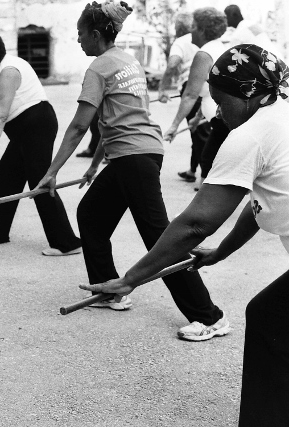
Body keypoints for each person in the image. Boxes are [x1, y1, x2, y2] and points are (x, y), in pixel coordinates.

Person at [81, 44, 289, 426]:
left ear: (247, 92)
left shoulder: (253, 135)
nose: (219, 115)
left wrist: (131, 279)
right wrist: (223, 252)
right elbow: (262, 203)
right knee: (271, 319)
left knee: (269, 321)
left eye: (222, 104)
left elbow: (195, 223)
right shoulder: (280, 108)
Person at [34, 0, 228, 340]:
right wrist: (95, 164)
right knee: (91, 215)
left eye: (81, 35)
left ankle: (209, 316)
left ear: (95, 34)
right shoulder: (128, 62)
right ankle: (109, 290)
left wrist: (51, 172)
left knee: (161, 239)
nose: (78, 40)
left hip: (133, 158)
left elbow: (81, 126)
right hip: (140, 154)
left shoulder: (99, 67)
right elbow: (119, 118)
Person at [0, 31, 82, 256]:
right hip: (25, 128)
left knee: (41, 183)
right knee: (8, 173)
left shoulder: (9, 72)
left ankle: (67, 243)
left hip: (36, 125)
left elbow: (0, 116)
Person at [163, 7, 229, 191]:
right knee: (208, 159)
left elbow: (191, 94)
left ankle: (204, 213)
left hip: (223, 119)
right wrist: (198, 117)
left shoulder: (203, 55)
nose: (190, 30)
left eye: (193, 26)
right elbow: (210, 90)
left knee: (210, 163)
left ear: (201, 30)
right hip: (221, 118)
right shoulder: (218, 47)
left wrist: (175, 126)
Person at [158, 12, 212, 184]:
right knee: (198, 132)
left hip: (191, 87)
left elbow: (173, 64)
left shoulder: (180, 42)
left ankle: (206, 178)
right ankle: (192, 170)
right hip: (208, 86)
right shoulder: (205, 41)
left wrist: (162, 88)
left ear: (177, 28)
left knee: (200, 135)